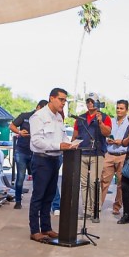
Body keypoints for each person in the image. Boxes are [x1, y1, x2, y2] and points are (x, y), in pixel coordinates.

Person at [28, 87, 75, 242]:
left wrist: (70, 144)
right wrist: (58, 146)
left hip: (55, 160)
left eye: (65, 100)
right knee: (38, 196)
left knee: (49, 196)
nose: (63, 103)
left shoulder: (59, 117)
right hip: (42, 160)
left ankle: (46, 228)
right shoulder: (39, 116)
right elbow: (36, 141)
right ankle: (35, 230)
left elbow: (63, 137)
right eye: (61, 99)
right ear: (51, 98)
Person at [73, 97, 112, 223]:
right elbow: (75, 135)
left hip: (97, 153)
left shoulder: (105, 117)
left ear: (97, 103)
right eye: (88, 101)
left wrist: (100, 122)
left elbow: (107, 133)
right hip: (82, 152)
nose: (90, 103)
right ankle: (86, 210)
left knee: (94, 182)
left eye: (92, 101)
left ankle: (96, 210)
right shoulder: (80, 118)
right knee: (84, 183)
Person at [9, 100, 47, 210]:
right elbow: (12, 126)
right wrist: (19, 132)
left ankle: (36, 203)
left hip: (35, 152)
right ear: (38, 107)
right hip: (22, 151)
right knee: (20, 178)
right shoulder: (25, 116)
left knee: (37, 179)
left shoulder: (44, 120)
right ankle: (18, 201)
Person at [100, 99, 129, 216]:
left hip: (123, 155)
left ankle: (117, 207)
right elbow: (105, 134)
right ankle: (98, 205)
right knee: (103, 181)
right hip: (109, 154)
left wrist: (120, 141)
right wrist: (108, 140)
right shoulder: (110, 121)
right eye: (117, 108)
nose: (119, 110)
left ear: (126, 110)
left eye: (121, 108)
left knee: (121, 184)